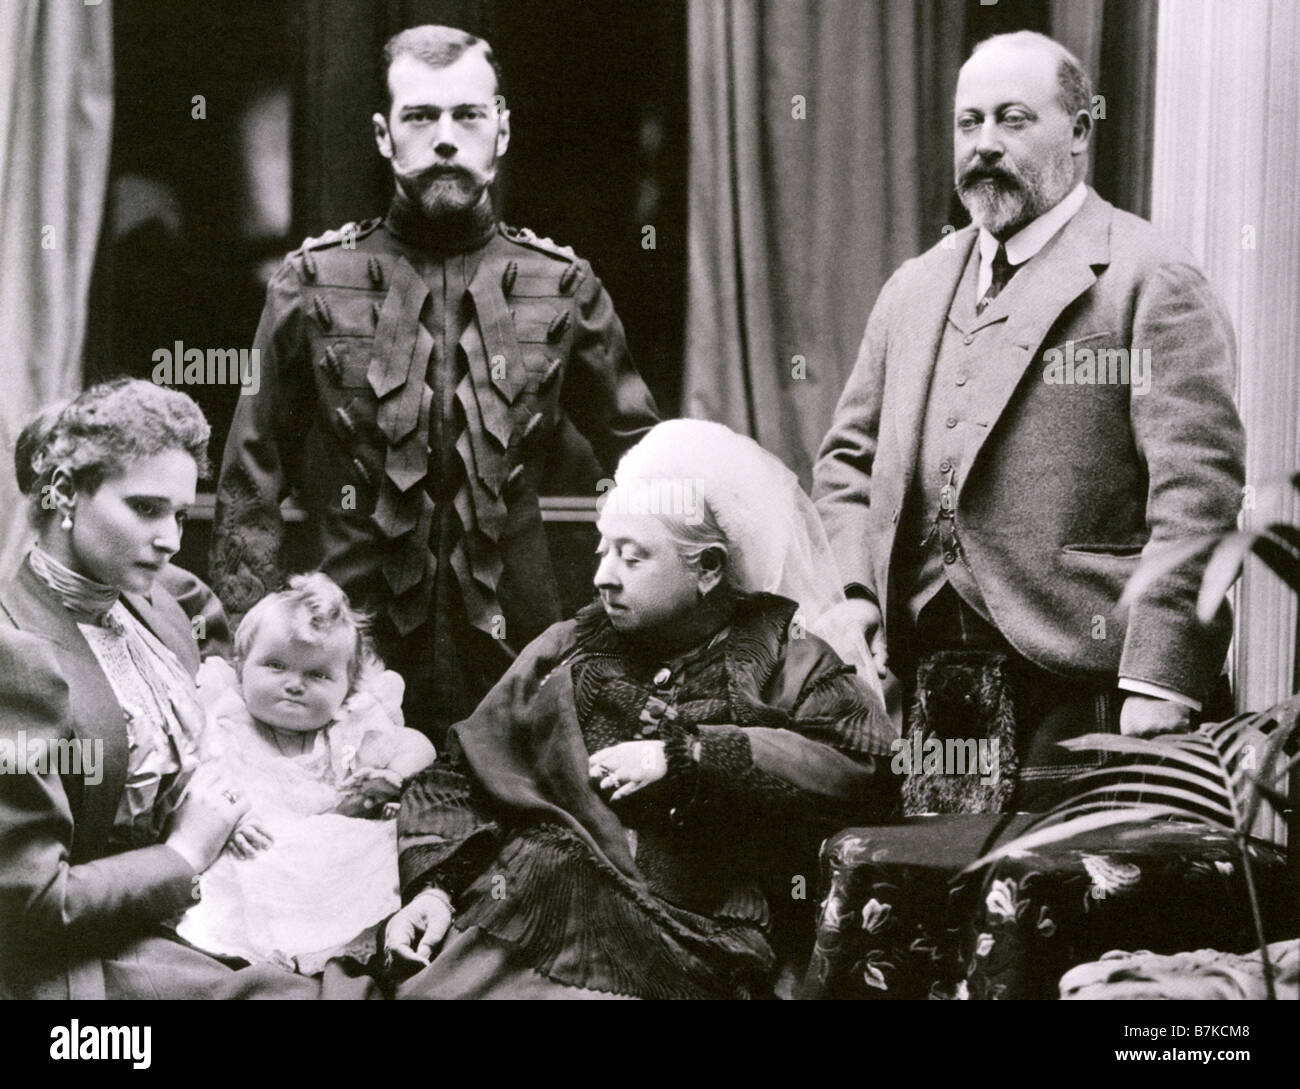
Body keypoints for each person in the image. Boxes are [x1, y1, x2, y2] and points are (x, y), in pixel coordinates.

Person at [813, 31, 1245, 811]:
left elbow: (1198, 498)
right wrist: (855, 594)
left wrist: (1161, 676)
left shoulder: (1148, 280)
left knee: (1061, 922)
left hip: (1091, 690)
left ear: (1079, 132)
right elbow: (847, 458)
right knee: (932, 914)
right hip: (930, 689)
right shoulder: (913, 290)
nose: (984, 145)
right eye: (967, 122)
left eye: (1013, 120)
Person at [211, 24, 660, 744]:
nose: (445, 138)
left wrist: (648, 630)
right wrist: (251, 649)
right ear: (385, 136)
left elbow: (650, 468)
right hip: (343, 661)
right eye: (421, 117)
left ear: (501, 130)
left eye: (468, 115)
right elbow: (247, 486)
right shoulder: (309, 284)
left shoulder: (564, 287)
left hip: (522, 661)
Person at [383, 419, 896, 999]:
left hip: (683, 940)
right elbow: (465, 769)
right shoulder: (568, 648)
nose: (602, 577)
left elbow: (861, 766)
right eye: (604, 550)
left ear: (706, 568)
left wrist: (686, 756)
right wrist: (435, 892)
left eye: (632, 558)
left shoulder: (784, 655)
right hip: (519, 915)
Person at [0, 379, 373, 999]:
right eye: (145, 509)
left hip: (218, 899)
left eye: (179, 512)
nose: (171, 537)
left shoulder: (167, 603)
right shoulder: (16, 657)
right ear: (64, 493)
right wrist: (184, 853)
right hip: (95, 950)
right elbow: (31, 907)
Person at [176, 572, 435, 974]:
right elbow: (195, 780)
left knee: (376, 851)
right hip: (257, 849)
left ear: (347, 689)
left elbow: (419, 745)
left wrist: (392, 777)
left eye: (317, 675)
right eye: (275, 665)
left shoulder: (348, 730)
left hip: (333, 853)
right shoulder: (227, 722)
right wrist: (228, 817)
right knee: (232, 872)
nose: (294, 684)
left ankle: (340, 949)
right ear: (242, 667)